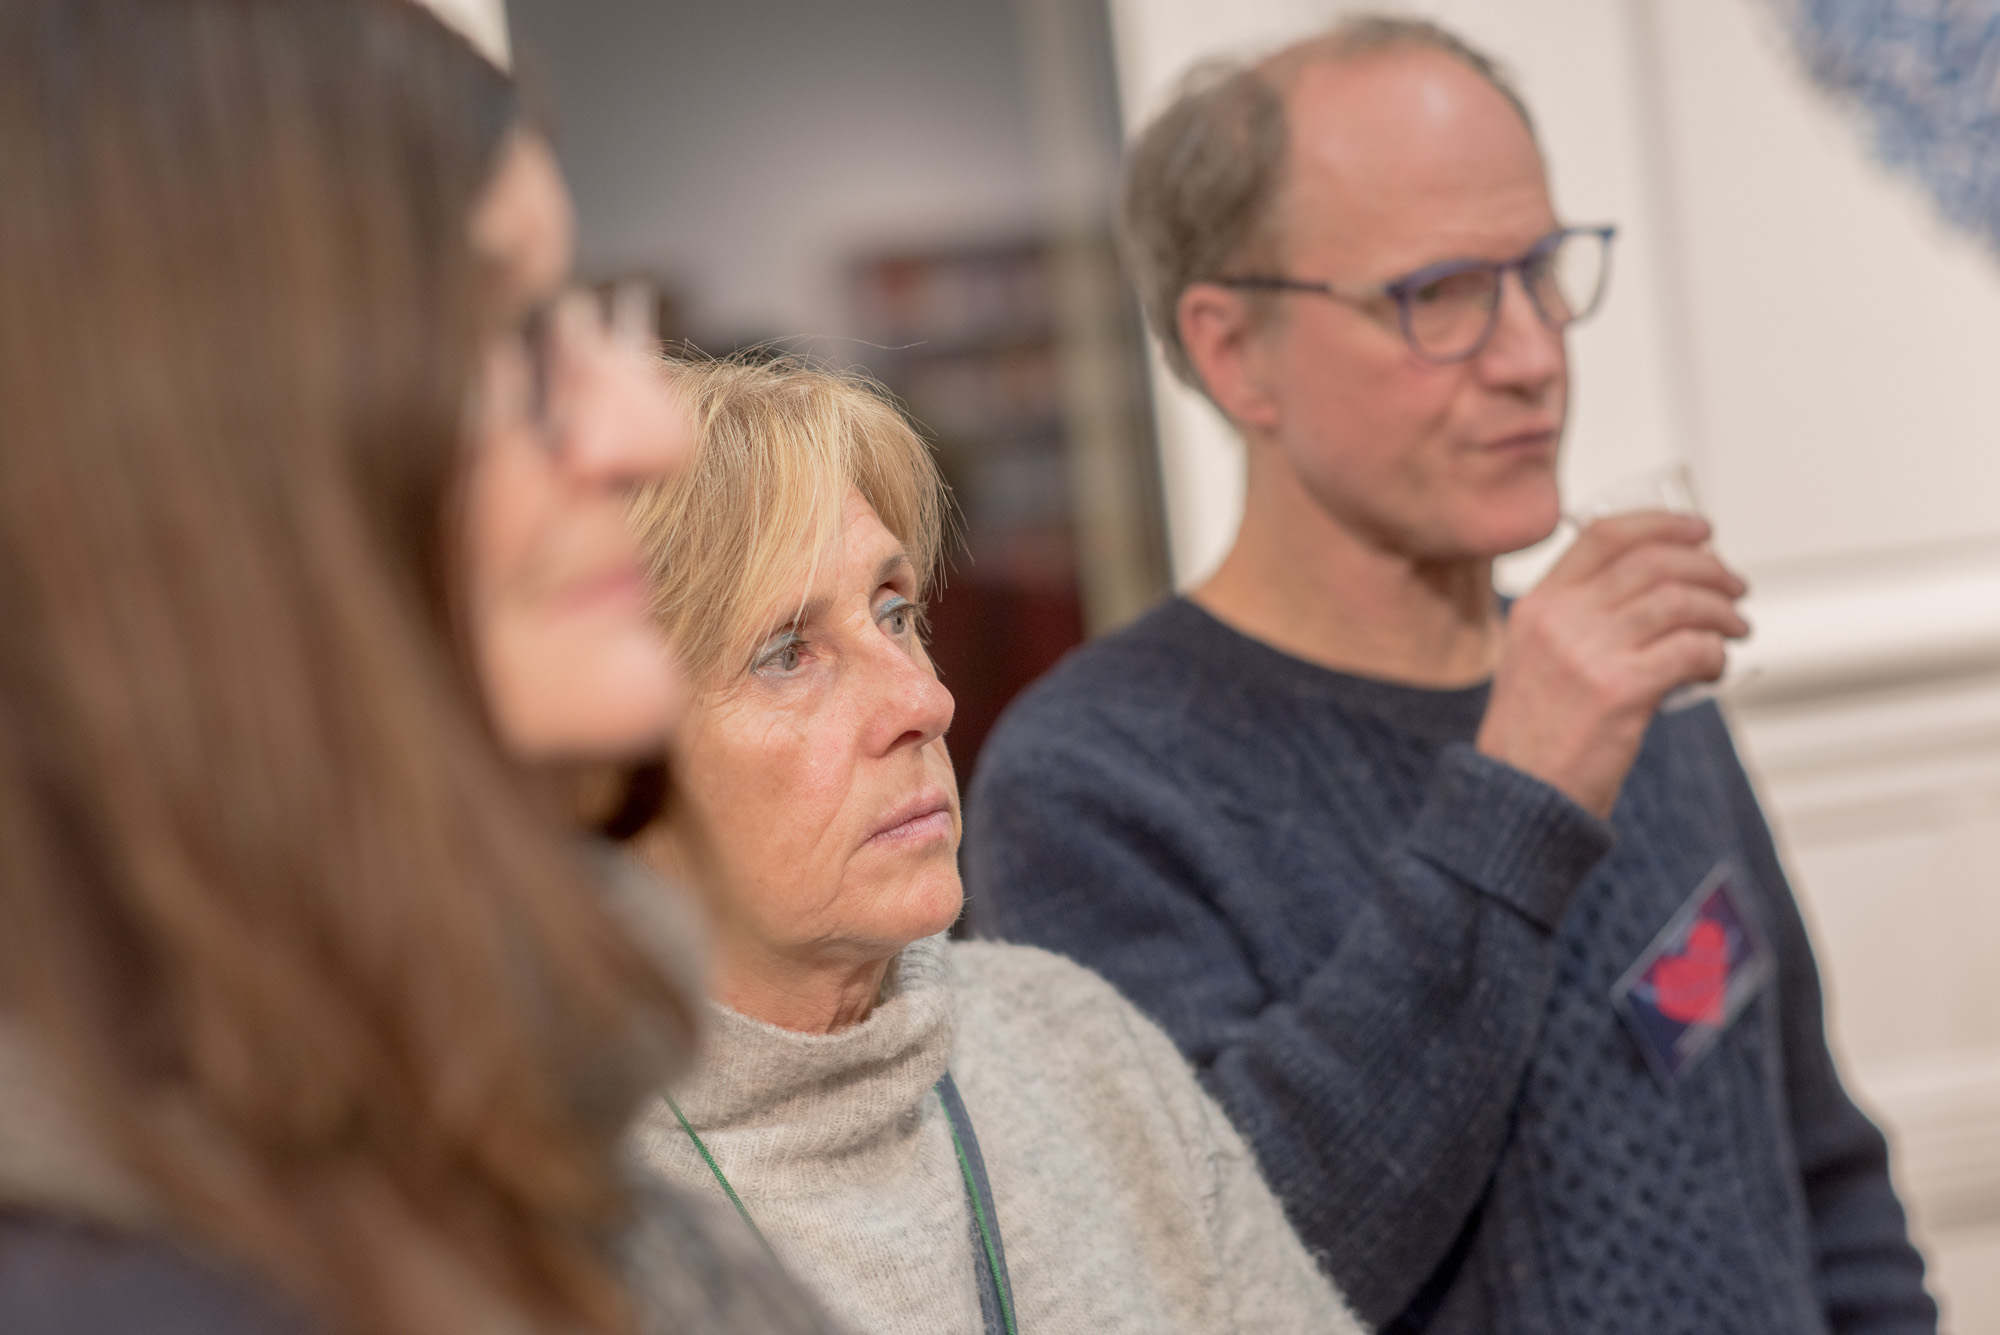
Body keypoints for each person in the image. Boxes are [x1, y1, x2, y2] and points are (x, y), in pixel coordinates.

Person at [963, 15, 1937, 1335]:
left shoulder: (1624, 681)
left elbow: (1817, 1167)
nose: (1535, 352)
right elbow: (1223, 1279)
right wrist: (1520, 790)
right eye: (1443, 294)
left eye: (1541, 270)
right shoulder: (1090, 778)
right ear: (1234, 348)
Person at [0, 3, 837, 1332]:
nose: (640, 426)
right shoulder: (113, 1284)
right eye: (507, 336)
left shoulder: (463, 1127)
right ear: (182, 448)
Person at [623, 356, 1362, 1335]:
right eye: (786, 654)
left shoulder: (1078, 1043)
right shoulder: (529, 1215)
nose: (923, 701)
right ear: (610, 770)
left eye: (895, 612)